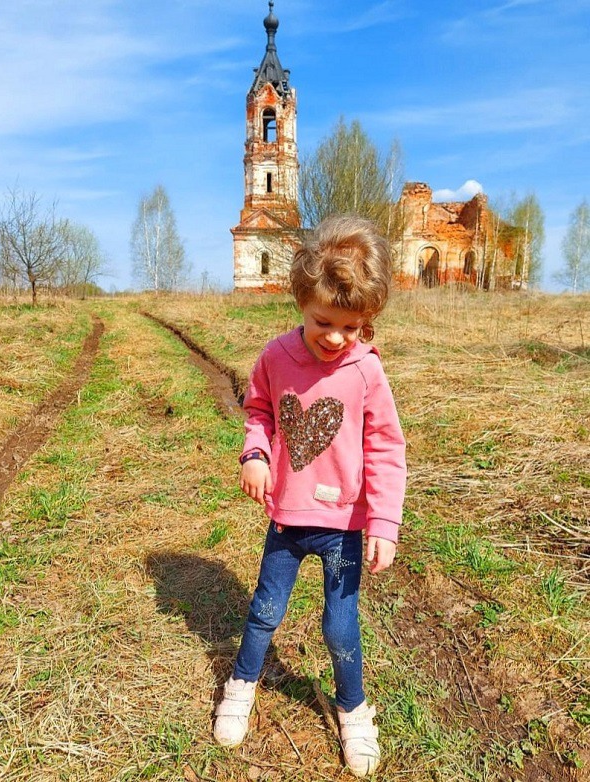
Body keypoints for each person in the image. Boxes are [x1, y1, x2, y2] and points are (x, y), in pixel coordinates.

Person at [213, 214, 407, 777]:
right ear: (301, 299)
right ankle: (242, 684)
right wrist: (256, 454)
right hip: (287, 520)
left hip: (346, 525)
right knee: (265, 610)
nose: (337, 338)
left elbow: (387, 450)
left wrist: (384, 523)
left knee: (340, 624)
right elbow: (258, 412)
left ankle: (353, 709)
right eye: (325, 321)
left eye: (353, 327)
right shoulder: (275, 358)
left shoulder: (367, 372)